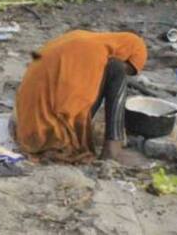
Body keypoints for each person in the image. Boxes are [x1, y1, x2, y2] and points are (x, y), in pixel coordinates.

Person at [14, 30, 148, 165]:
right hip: (46, 132)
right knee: (116, 70)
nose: (126, 74)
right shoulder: (95, 52)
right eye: (128, 70)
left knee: (112, 71)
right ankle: (112, 150)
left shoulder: (79, 38)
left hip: (24, 122)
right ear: (124, 52)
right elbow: (77, 101)